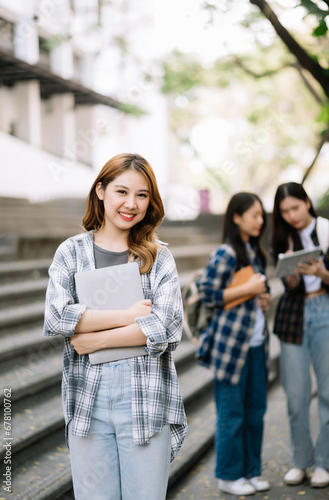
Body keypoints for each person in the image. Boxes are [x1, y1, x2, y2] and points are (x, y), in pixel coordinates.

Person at [43, 153, 187, 500]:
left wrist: (91, 339)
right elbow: (57, 318)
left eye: (142, 195)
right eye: (122, 191)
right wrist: (129, 314)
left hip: (145, 400)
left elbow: (163, 329)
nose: (131, 204)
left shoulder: (158, 257)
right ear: (101, 190)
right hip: (88, 400)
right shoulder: (71, 253)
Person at [197, 192, 270, 496]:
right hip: (231, 348)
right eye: (254, 215)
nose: (260, 220)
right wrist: (251, 288)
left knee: (255, 410)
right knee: (232, 413)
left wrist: (259, 298)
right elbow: (209, 295)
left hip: (255, 344)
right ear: (236, 217)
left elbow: (246, 296)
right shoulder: (226, 252)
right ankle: (228, 476)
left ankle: (250, 471)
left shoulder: (253, 250)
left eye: (261, 215)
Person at [272, 182, 329, 488]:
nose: (291, 215)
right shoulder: (282, 236)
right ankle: (299, 461)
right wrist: (291, 272)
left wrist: (321, 273)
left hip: (325, 311)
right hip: (294, 316)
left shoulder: (327, 230)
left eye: (295, 207)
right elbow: (288, 284)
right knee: (296, 396)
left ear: (307, 202)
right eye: (284, 211)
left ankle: (324, 462)